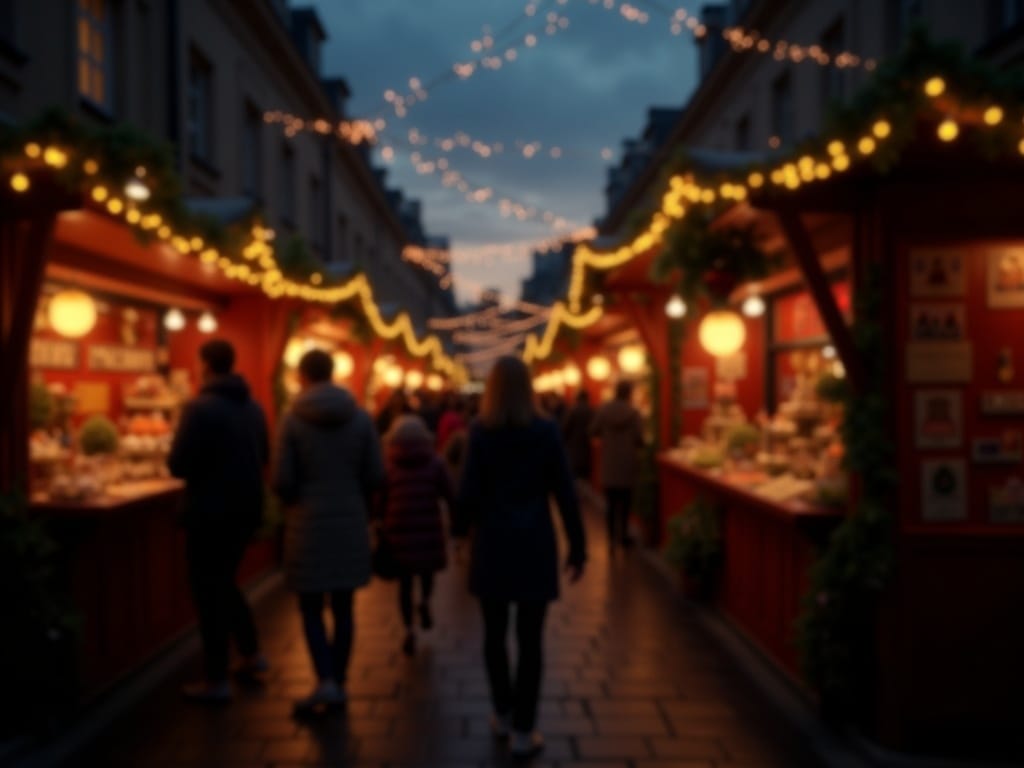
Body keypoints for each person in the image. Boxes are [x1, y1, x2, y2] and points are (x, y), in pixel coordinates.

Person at [454, 356, 586, 760]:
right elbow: (564, 490)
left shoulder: (481, 432)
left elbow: (468, 490)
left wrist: (459, 534)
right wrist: (578, 545)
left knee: (494, 636)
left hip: (492, 543)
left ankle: (503, 710)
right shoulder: (546, 431)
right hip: (534, 543)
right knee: (531, 641)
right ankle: (525, 730)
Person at [273, 349, 384, 715]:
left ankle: (325, 680)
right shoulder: (360, 418)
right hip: (350, 520)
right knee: (344, 606)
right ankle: (340, 679)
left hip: (307, 523)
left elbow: (282, 479)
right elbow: (375, 475)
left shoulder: (292, 420)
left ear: (303, 375)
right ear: (333, 373)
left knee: (310, 607)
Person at [168, 339, 269, 702]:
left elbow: (178, 464)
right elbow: (265, 454)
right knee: (224, 583)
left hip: (208, 513)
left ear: (206, 365)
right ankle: (251, 653)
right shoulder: (253, 407)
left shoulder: (198, 409)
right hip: (245, 510)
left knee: (208, 594)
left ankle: (217, 679)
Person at [381, 414, 454, 656]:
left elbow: (379, 498)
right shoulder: (435, 462)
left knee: (404, 584)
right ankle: (424, 601)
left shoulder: (389, 465)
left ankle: (408, 629)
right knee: (426, 573)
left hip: (398, 530)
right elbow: (449, 493)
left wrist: (379, 520)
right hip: (428, 528)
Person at [590, 380, 645, 549]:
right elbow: (639, 438)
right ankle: (623, 535)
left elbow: (593, 430)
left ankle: (611, 538)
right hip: (627, 462)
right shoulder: (634, 413)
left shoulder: (604, 410)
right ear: (629, 393)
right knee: (626, 503)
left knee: (611, 504)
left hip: (609, 462)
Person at [561, 390, 594, 485]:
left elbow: (564, 429)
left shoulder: (572, 411)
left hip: (573, 450)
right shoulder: (591, 411)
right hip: (587, 450)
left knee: (574, 479)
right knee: (585, 480)